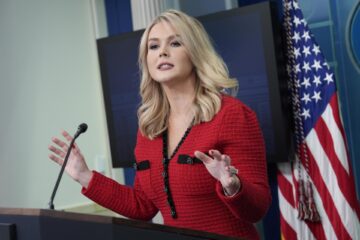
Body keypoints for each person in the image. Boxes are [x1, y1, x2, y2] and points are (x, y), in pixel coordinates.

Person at [48, 9, 271, 240]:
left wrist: (231, 185)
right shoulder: (150, 127)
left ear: (195, 53)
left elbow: (257, 209)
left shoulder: (232, 114)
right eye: (153, 46)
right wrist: (84, 175)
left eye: (175, 43)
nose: (162, 52)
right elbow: (142, 206)